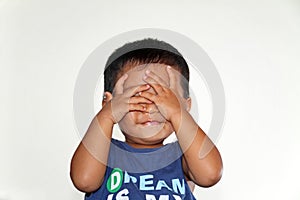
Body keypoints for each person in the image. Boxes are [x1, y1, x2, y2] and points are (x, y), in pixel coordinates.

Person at [70, 38, 223, 200]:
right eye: (137, 97)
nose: (150, 108)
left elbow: (210, 175)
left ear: (185, 106)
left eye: (165, 98)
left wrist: (177, 113)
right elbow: (84, 181)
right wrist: (106, 116)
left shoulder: (184, 156)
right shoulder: (104, 153)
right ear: (110, 103)